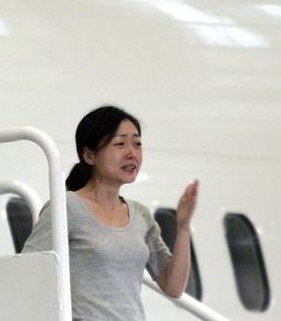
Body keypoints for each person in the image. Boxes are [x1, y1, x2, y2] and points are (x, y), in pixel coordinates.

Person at [22, 105, 199, 320]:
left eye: (137, 143)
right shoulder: (66, 207)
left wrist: (183, 226)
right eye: (120, 144)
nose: (132, 153)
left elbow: (173, 286)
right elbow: (28, 270)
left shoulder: (140, 215)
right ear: (89, 155)